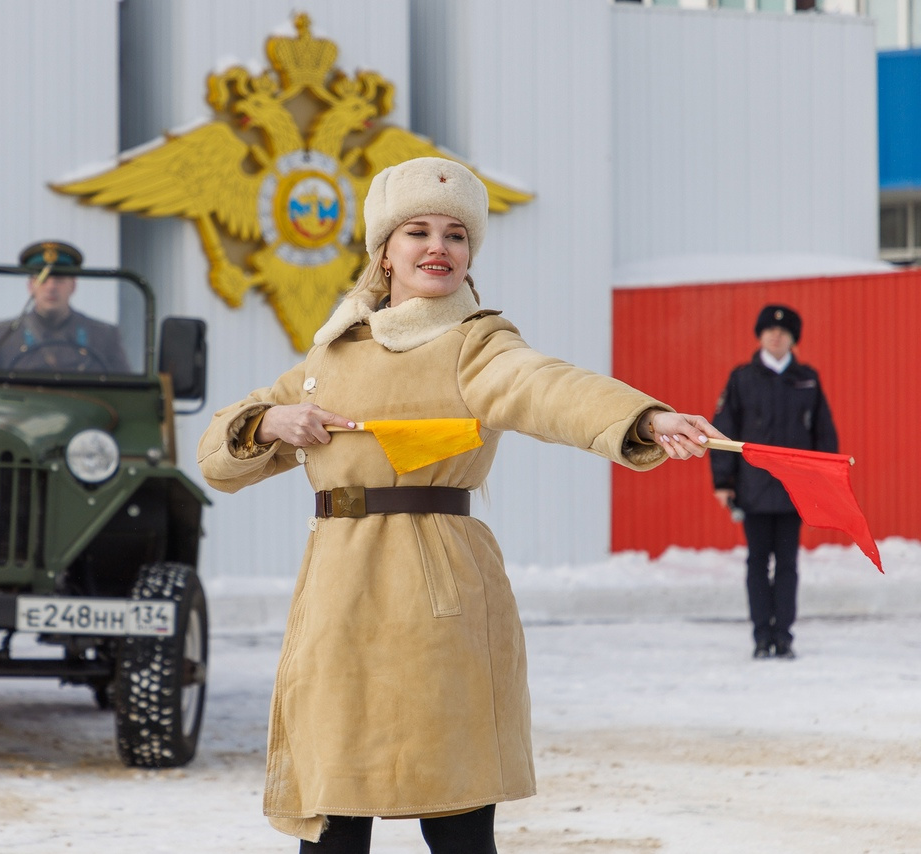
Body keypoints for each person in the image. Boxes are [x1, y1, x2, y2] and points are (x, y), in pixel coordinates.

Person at [196, 157, 725, 853]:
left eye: (455, 234)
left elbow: (547, 388)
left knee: (455, 807)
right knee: (331, 808)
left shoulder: (477, 340)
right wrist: (270, 422)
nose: (438, 248)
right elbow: (215, 458)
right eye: (417, 231)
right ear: (384, 252)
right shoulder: (334, 349)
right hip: (336, 589)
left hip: (434, 583)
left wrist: (644, 418)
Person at [711, 305, 837, 661]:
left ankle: (783, 636)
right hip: (753, 490)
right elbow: (723, 432)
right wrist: (723, 481)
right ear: (760, 335)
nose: (776, 335)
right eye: (769, 330)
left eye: (783, 332)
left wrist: (825, 482)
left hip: (794, 492)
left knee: (787, 564)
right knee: (756, 563)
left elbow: (823, 434)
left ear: (793, 339)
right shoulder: (742, 378)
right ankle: (761, 637)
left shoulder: (807, 379)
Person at [0, 240, 130, 372]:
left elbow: (126, 391)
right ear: (31, 286)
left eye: (59, 279)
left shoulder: (103, 336)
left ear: (73, 286)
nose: (51, 287)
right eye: (43, 279)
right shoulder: (3, 336)